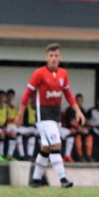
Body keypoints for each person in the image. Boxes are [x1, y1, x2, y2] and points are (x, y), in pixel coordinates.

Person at [13, 43, 85, 188]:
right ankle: (63, 179)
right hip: (43, 116)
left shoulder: (63, 74)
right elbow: (27, 94)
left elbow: (68, 95)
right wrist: (20, 114)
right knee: (56, 144)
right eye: (51, 56)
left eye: (56, 56)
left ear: (60, 57)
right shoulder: (39, 73)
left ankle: (35, 180)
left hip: (56, 115)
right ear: (46, 57)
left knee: (46, 148)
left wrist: (78, 111)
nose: (53, 58)